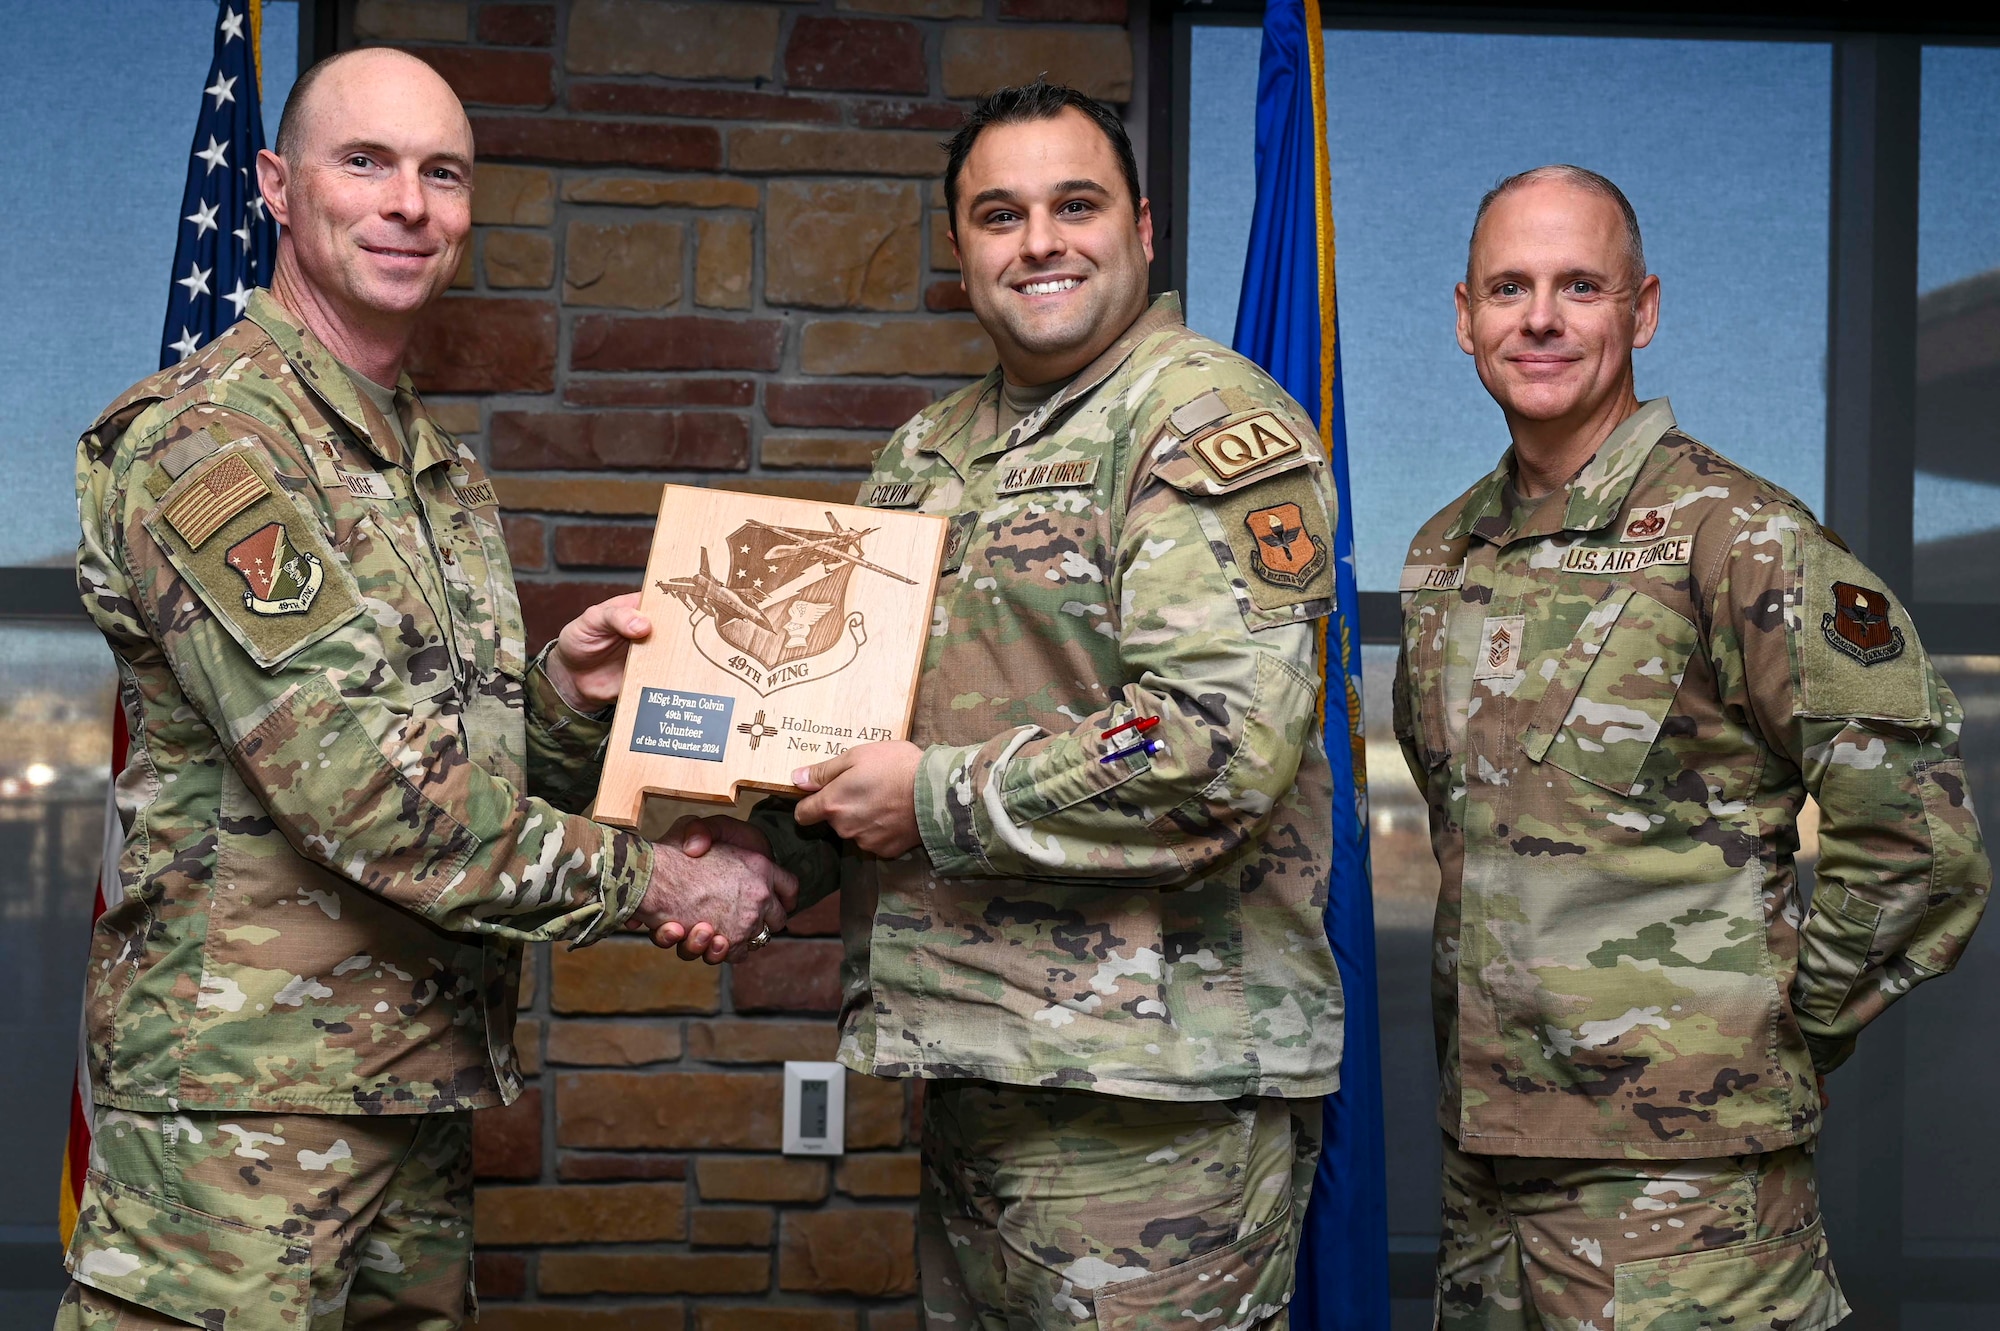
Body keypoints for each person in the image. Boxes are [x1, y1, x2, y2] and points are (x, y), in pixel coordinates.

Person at [61, 48, 793, 1330]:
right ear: (279, 188)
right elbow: (373, 794)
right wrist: (664, 879)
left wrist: (557, 702)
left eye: (441, 172)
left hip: (414, 1095)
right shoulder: (208, 442)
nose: (409, 202)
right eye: (367, 162)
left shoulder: (430, 467)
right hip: (242, 1122)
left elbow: (451, 763)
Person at [677, 81, 1343, 1330]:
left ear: (1142, 226)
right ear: (960, 249)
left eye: (1073, 204)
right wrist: (760, 859)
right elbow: (854, 728)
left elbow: (1210, 743)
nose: (1038, 241)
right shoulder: (927, 452)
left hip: (1150, 1106)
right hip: (977, 1070)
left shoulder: (1200, 423)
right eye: (999, 214)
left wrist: (928, 797)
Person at [1395, 164, 1991, 1331]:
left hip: (1687, 1202)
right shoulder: (1441, 555)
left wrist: (1783, 1023)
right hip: (1485, 1181)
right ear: (1462, 314)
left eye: (1579, 285)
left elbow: (1916, 836)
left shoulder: (1739, 535)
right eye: (1508, 287)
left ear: (1642, 310)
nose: (1541, 318)